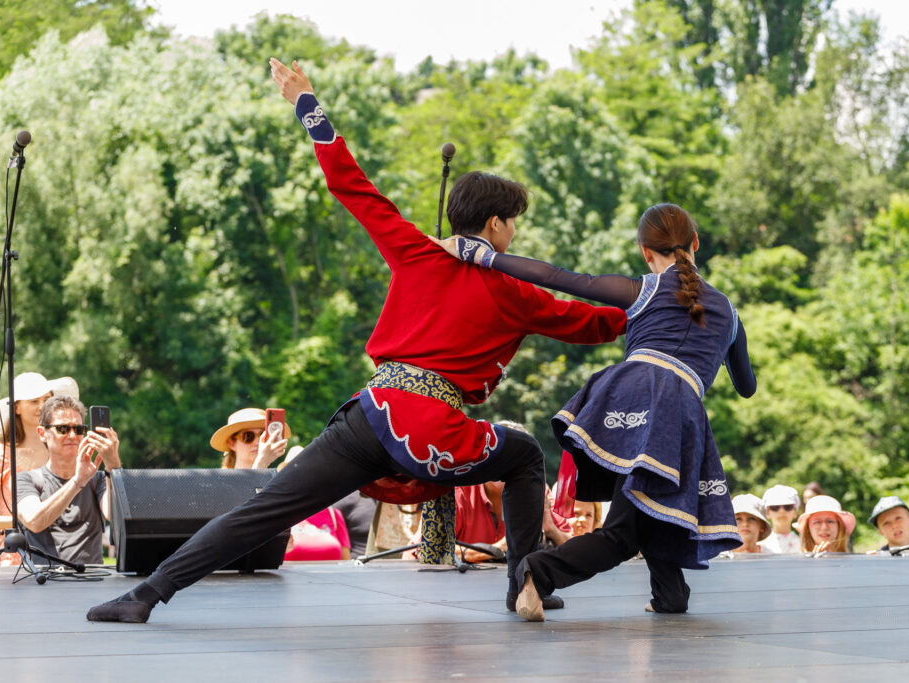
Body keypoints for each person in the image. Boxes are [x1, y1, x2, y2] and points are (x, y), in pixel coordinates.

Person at [85, 59, 626, 624]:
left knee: (266, 509)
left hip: (370, 413)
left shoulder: (415, 250)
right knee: (521, 456)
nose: (515, 232)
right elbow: (590, 322)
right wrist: (652, 314)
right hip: (429, 422)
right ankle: (523, 582)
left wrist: (306, 103)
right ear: (494, 225)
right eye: (512, 222)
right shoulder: (514, 290)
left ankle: (144, 596)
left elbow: (353, 185)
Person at [432, 201, 756, 621]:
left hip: (628, 394)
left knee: (652, 508)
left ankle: (669, 593)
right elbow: (746, 387)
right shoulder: (728, 313)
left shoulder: (642, 290)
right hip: (678, 412)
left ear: (645, 251)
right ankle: (538, 572)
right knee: (625, 532)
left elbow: (556, 277)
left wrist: (481, 255)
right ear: (696, 242)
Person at [0, 373, 76, 566]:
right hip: (9, 558)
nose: (42, 406)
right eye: (34, 401)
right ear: (17, 407)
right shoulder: (0, 455)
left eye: (47, 399)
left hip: (56, 556)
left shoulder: (62, 453)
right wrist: (19, 520)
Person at [16, 395, 121, 565]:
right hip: (45, 582)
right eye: (63, 429)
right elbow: (34, 522)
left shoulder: (99, 478)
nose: (72, 435)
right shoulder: (26, 479)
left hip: (91, 580)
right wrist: (78, 482)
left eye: (79, 429)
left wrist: (113, 465)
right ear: (42, 433)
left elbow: (114, 516)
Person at [212, 408, 290, 470]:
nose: (257, 442)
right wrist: (262, 462)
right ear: (231, 443)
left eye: (263, 435)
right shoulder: (222, 481)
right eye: (248, 436)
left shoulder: (275, 479)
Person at [758, 484, 801, 554]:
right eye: (775, 507)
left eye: (788, 507)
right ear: (768, 512)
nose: (782, 511)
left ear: (795, 512)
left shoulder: (804, 544)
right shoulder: (759, 545)